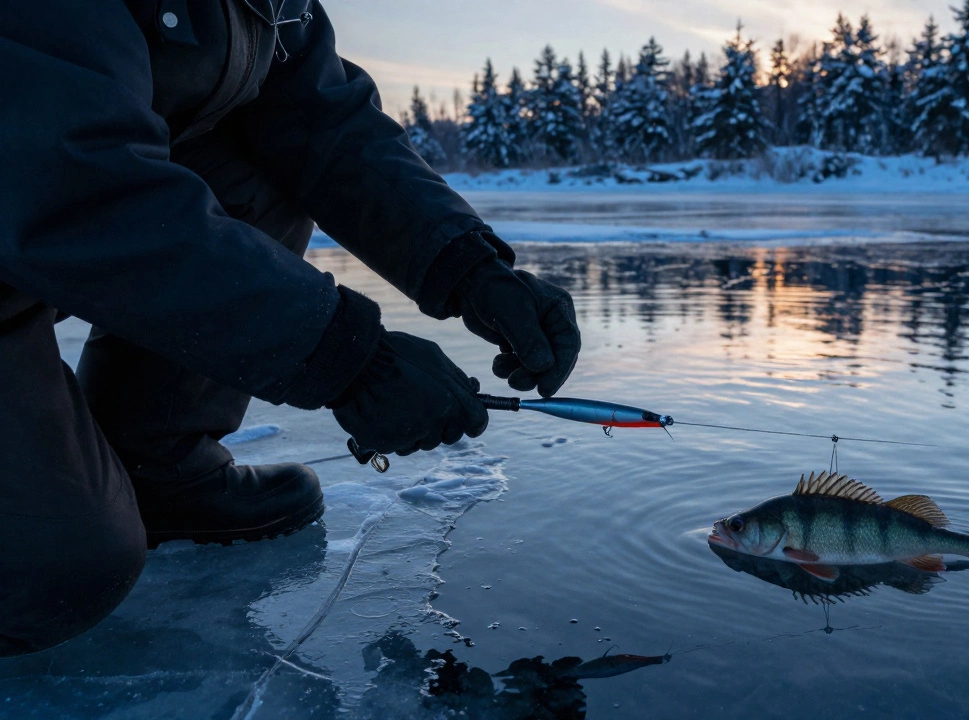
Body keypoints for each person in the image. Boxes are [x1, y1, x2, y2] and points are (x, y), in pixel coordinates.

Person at [0, 0, 580, 657]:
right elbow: (71, 183)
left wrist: (472, 269)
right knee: (52, 568)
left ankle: (157, 466)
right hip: (34, 208)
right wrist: (347, 358)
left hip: (34, 233)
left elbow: (323, 123)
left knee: (257, 159)